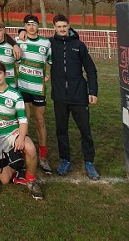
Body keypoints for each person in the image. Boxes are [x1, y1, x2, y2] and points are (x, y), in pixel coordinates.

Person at [0, 61, 43, 200]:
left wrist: (21, 138)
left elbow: (23, 120)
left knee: (30, 148)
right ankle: (19, 163)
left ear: (5, 74)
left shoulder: (15, 94)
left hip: (12, 132)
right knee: (5, 180)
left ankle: (31, 180)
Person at [50, 14, 99, 180]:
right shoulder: (50, 44)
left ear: (69, 26)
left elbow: (91, 70)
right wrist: (21, 32)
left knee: (85, 131)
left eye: (65, 26)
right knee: (61, 131)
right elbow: (31, 41)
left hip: (79, 96)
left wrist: (92, 91)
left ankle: (89, 162)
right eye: (59, 26)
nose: (62, 29)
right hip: (59, 97)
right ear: (54, 28)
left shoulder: (79, 45)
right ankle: (65, 160)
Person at [16, 14, 52, 174]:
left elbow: (51, 62)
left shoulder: (46, 43)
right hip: (23, 88)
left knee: (40, 121)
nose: (31, 27)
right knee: (25, 121)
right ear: (24, 26)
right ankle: (26, 153)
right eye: (28, 24)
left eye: (34, 24)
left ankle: (43, 156)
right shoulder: (19, 41)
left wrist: (48, 74)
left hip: (39, 89)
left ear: (38, 26)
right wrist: (19, 34)